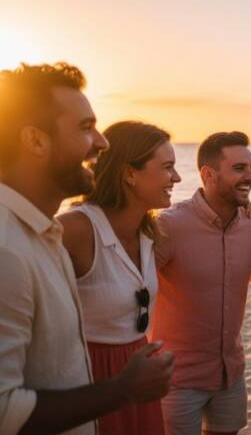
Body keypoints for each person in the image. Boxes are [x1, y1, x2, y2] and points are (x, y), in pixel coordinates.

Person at [0, 62, 173, 435]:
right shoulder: (7, 248)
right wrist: (122, 389)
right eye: (85, 127)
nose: (101, 142)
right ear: (35, 140)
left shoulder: (40, 234)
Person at [58, 120, 181, 434]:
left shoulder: (150, 231)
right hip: (92, 381)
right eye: (167, 167)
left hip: (140, 375)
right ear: (129, 174)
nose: (177, 178)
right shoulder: (75, 229)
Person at [151, 131, 251, 435]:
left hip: (231, 374)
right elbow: (134, 288)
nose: (250, 176)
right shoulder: (170, 225)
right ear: (208, 174)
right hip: (177, 379)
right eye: (239, 169)